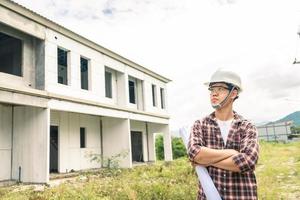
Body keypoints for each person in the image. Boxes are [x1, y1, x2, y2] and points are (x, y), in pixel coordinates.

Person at [188, 68, 259, 200]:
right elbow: (194, 153)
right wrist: (231, 152)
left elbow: (248, 162)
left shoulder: (247, 126)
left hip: (242, 196)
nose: (214, 94)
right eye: (212, 89)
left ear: (233, 93)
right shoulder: (200, 124)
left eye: (220, 89)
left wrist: (205, 161)